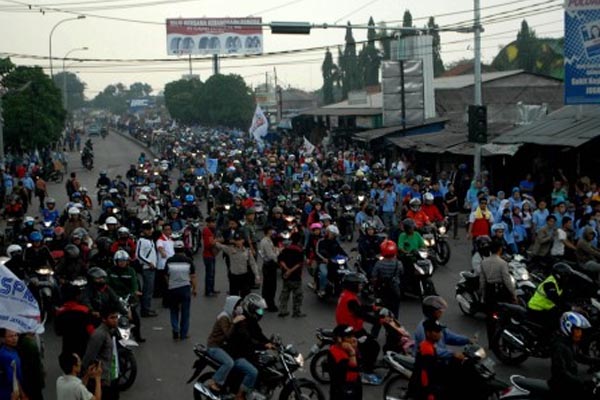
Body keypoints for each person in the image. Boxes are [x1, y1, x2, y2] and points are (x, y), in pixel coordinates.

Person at [205, 296, 258, 399]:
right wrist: (234, 322)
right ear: (232, 306)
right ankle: (214, 381)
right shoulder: (224, 317)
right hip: (214, 347)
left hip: (223, 347)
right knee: (229, 362)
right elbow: (227, 335)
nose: (239, 307)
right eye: (237, 305)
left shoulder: (232, 315)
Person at [335, 272, 381, 383]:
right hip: (352, 331)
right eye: (358, 284)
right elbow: (360, 314)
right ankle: (367, 373)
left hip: (348, 327)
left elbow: (359, 308)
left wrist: (373, 308)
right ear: (352, 285)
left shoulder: (346, 295)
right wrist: (378, 320)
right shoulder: (350, 299)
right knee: (373, 347)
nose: (360, 286)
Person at [549, 311, 596, 400]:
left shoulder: (569, 343)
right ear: (568, 327)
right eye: (577, 330)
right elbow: (560, 373)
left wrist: (596, 361)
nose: (580, 334)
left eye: (580, 331)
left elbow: (579, 356)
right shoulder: (559, 346)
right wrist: (582, 383)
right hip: (561, 388)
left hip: (569, 384)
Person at [479, 240, 517, 347]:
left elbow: (482, 281)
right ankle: (505, 342)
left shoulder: (484, 262)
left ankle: (491, 343)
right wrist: (513, 294)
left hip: (489, 292)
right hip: (501, 292)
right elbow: (507, 280)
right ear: (500, 249)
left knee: (490, 319)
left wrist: (482, 295)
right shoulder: (503, 263)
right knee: (505, 318)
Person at [413, 296, 471, 362]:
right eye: (439, 311)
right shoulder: (423, 328)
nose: (441, 313)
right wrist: (452, 354)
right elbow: (433, 350)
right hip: (429, 362)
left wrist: (467, 340)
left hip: (440, 359)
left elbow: (449, 336)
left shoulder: (435, 323)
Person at [82, 307, 120, 400]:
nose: (115, 320)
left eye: (116, 317)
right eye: (112, 318)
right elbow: (89, 357)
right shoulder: (99, 335)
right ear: (104, 319)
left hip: (109, 377)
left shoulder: (110, 331)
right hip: (101, 381)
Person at [107, 250, 144, 343]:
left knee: (135, 318)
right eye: (120, 260)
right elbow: (107, 285)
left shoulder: (131, 271)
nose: (122, 262)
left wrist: (133, 293)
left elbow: (134, 284)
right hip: (114, 297)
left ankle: (137, 336)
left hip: (127, 297)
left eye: (124, 260)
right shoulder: (110, 271)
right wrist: (113, 296)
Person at [164, 240, 197, 340]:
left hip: (173, 289)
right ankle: (183, 334)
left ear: (174, 250)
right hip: (185, 288)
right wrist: (195, 289)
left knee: (174, 311)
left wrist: (169, 284)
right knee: (185, 312)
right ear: (183, 249)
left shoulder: (169, 261)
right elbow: (193, 276)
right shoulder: (188, 261)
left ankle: (175, 329)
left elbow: (166, 275)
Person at [527, 263, 572, 330]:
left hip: (546, 308)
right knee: (552, 326)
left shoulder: (559, 283)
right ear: (558, 275)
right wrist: (571, 308)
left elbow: (563, 297)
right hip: (536, 308)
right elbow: (555, 298)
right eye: (565, 276)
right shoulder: (550, 284)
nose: (567, 278)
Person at [55, 284, 94, 358]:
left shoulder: (60, 311)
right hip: (82, 346)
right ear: (77, 296)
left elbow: (58, 332)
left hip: (67, 346)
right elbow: (90, 330)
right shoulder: (85, 311)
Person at [215, 232, 259, 297]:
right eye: (236, 240)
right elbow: (220, 246)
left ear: (243, 240)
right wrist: (215, 241)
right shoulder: (230, 249)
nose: (238, 242)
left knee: (245, 296)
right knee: (234, 298)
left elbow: (253, 264)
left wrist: (257, 275)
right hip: (234, 277)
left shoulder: (247, 251)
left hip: (244, 277)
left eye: (239, 240)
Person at [411, 319, 445, 400]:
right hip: (423, 387)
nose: (439, 334)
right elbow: (425, 373)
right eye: (436, 332)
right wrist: (429, 393)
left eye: (439, 331)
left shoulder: (429, 345)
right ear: (428, 333)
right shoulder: (427, 349)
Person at [328, 324, 361, 400]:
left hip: (353, 388)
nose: (353, 339)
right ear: (339, 339)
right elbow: (352, 373)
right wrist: (352, 352)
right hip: (343, 392)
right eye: (349, 337)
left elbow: (359, 362)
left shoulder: (346, 349)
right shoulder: (336, 353)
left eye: (353, 336)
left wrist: (355, 349)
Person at [371, 240, 403, 319]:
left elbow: (374, 275)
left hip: (382, 291)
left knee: (378, 315)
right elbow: (402, 273)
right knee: (395, 314)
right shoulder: (398, 263)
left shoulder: (379, 263)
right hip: (394, 291)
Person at [277, 232, 305, 318]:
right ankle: (296, 312)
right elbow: (299, 264)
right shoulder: (300, 250)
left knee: (285, 294)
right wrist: (291, 271)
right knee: (297, 295)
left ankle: (282, 310)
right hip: (296, 276)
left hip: (286, 276)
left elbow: (281, 260)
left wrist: (287, 270)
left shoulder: (286, 249)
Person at [137, 221, 158, 317]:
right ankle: (145, 310)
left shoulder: (150, 240)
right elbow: (138, 255)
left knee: (150, 290)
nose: (150, 231)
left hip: (152, 268)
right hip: (147, 268)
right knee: (147, 290)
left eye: (151, 229)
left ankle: (148, 308)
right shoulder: (141, 241)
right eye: (148, 229)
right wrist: (149, 263)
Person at [258, 226, 280, 312]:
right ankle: (270, 305)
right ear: (268, 231)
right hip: (269, 265)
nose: (273, 231)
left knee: (267, 286)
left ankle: (266, 304)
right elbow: (271, 255)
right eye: (272, 230)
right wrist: (278, 252)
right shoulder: (266, 242)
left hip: (268, 265)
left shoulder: (268, 240)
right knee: (270, 287)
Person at [17, 332, 45, 400]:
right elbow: (35, 365)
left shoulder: (22, 342)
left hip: (28, 381)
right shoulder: (29, 344)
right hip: (33, 382)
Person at [0, 328, 24, 400]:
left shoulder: (13, 350)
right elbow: (13, 379)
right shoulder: (5, 356)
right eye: (10, 336)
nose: (14, 338)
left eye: (16, 335)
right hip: (9, 393)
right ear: (3, 339)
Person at [155, 224, 174, 303]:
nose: (168, 231)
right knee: (165, 285)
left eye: (169, 229)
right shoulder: (160, 240)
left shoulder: (170, 239)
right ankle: (166, 302)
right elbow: (160, 247)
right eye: (166, 229)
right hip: (163, 265)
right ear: (163, 231)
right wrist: (162, 252)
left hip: (170, 265)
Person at [201, 216, 220, 297]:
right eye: (212, 222)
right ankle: (208, 291)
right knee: (209, 274)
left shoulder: (211, 230)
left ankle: (211, 289)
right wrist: (216, 241)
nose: (214, 224)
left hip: (211, 255)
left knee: (212, 274)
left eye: (214, 222)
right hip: (208, 255)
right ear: (208, 223)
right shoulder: (206, 231)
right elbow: (207, 245)